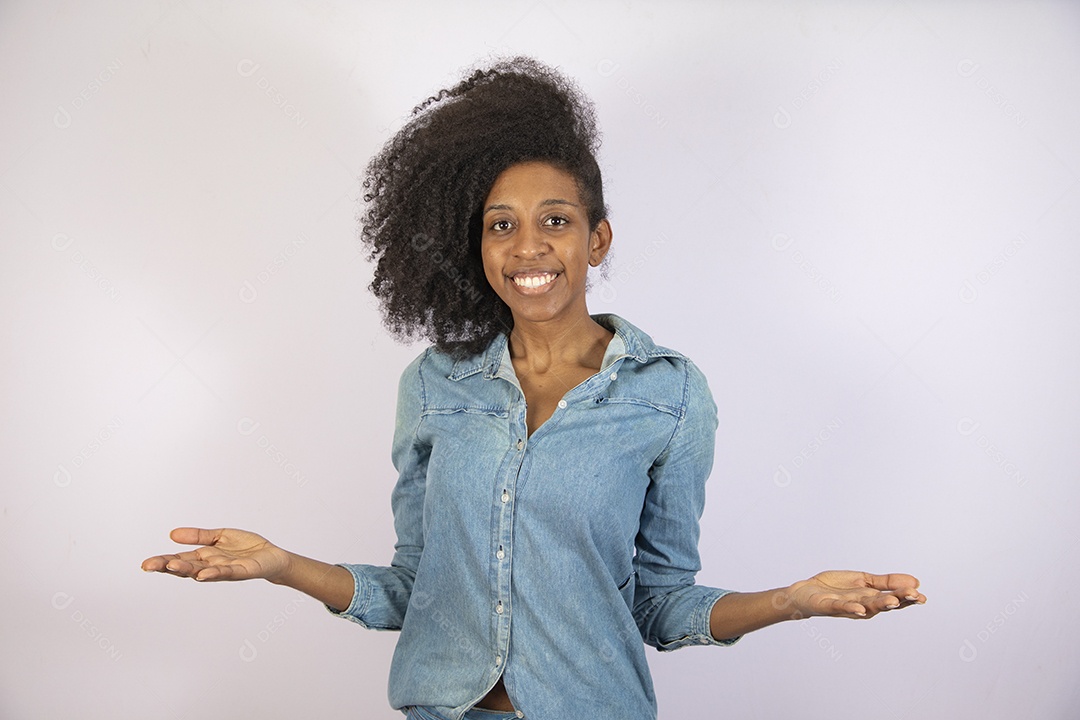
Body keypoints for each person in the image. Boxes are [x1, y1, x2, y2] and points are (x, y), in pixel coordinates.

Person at [142, 57, 926, 720]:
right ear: (479, 246)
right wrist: (280, 564)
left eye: (554, 221)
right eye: (501, 224)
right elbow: (415, 589)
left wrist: (792, 600)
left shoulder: (669, 395)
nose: (527, 247)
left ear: (597, 238)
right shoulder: (435, 385)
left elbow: (660, 603)